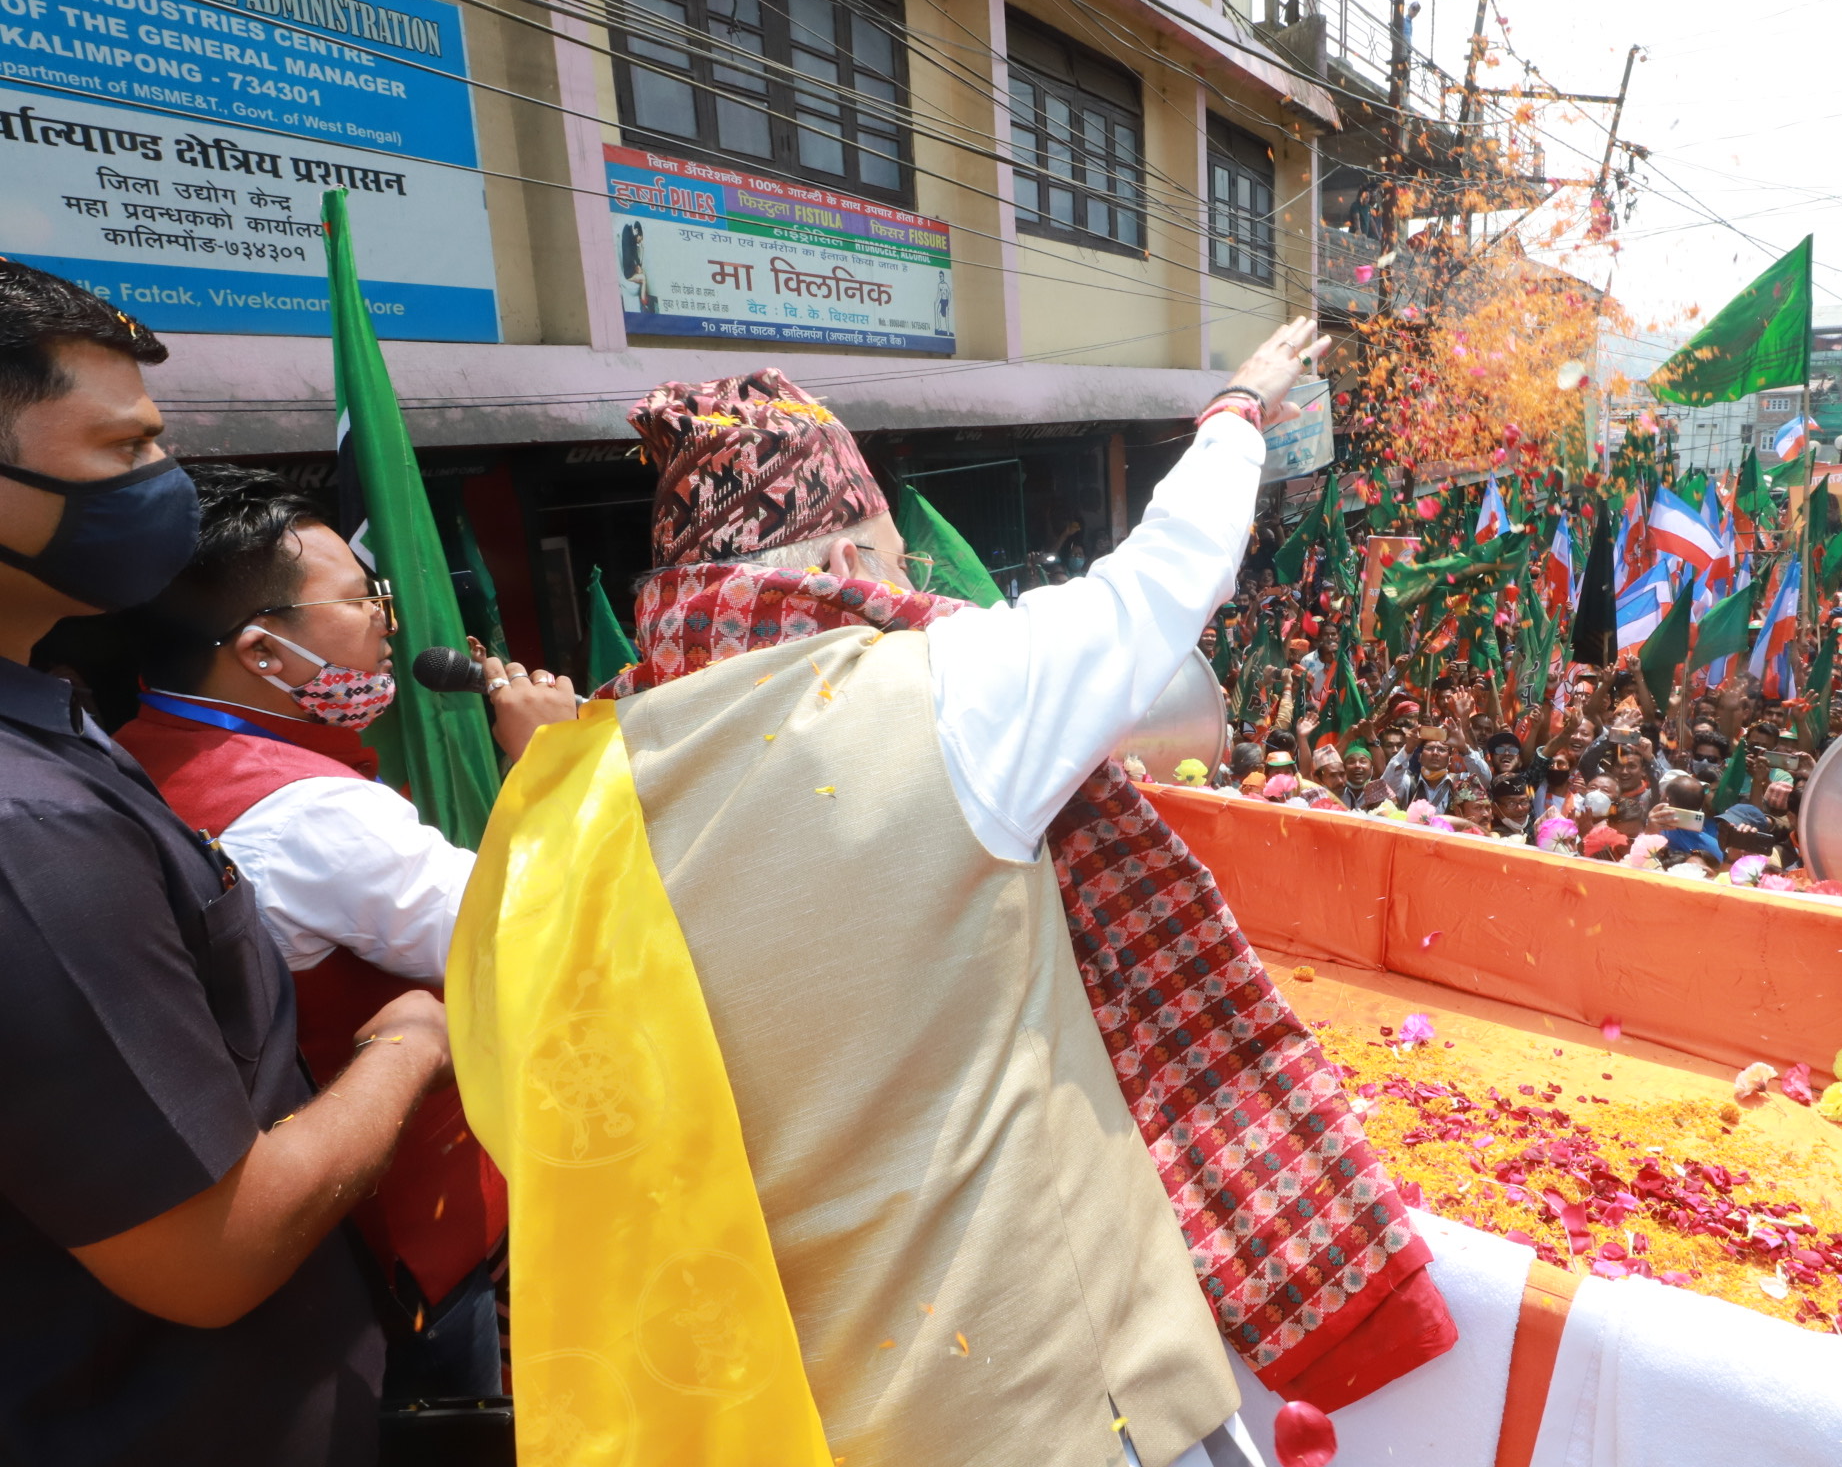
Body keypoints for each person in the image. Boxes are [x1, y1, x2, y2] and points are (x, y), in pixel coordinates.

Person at [445, 324, 1453, 1467]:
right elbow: (1166, 576)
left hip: (830, 1421)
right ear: (833, 569)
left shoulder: (586, 799)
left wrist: (557, 759)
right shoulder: (941, 695)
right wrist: (1237, 407)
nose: (909, 583)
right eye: (887, 550)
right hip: (1067, 1409)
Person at [0, 261, 445, 1463]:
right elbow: (212, 1252)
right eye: (124, 449)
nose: (163, 486)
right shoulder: (26, 828)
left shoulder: (74, 718)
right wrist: (406, 1048)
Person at [112, 467, 584, 1397]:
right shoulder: (309, 813)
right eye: (361, 599)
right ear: (264, 653)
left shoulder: (130, 746)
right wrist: (552, 765)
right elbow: (530, 939)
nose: (385, 622)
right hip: (408, 1230)